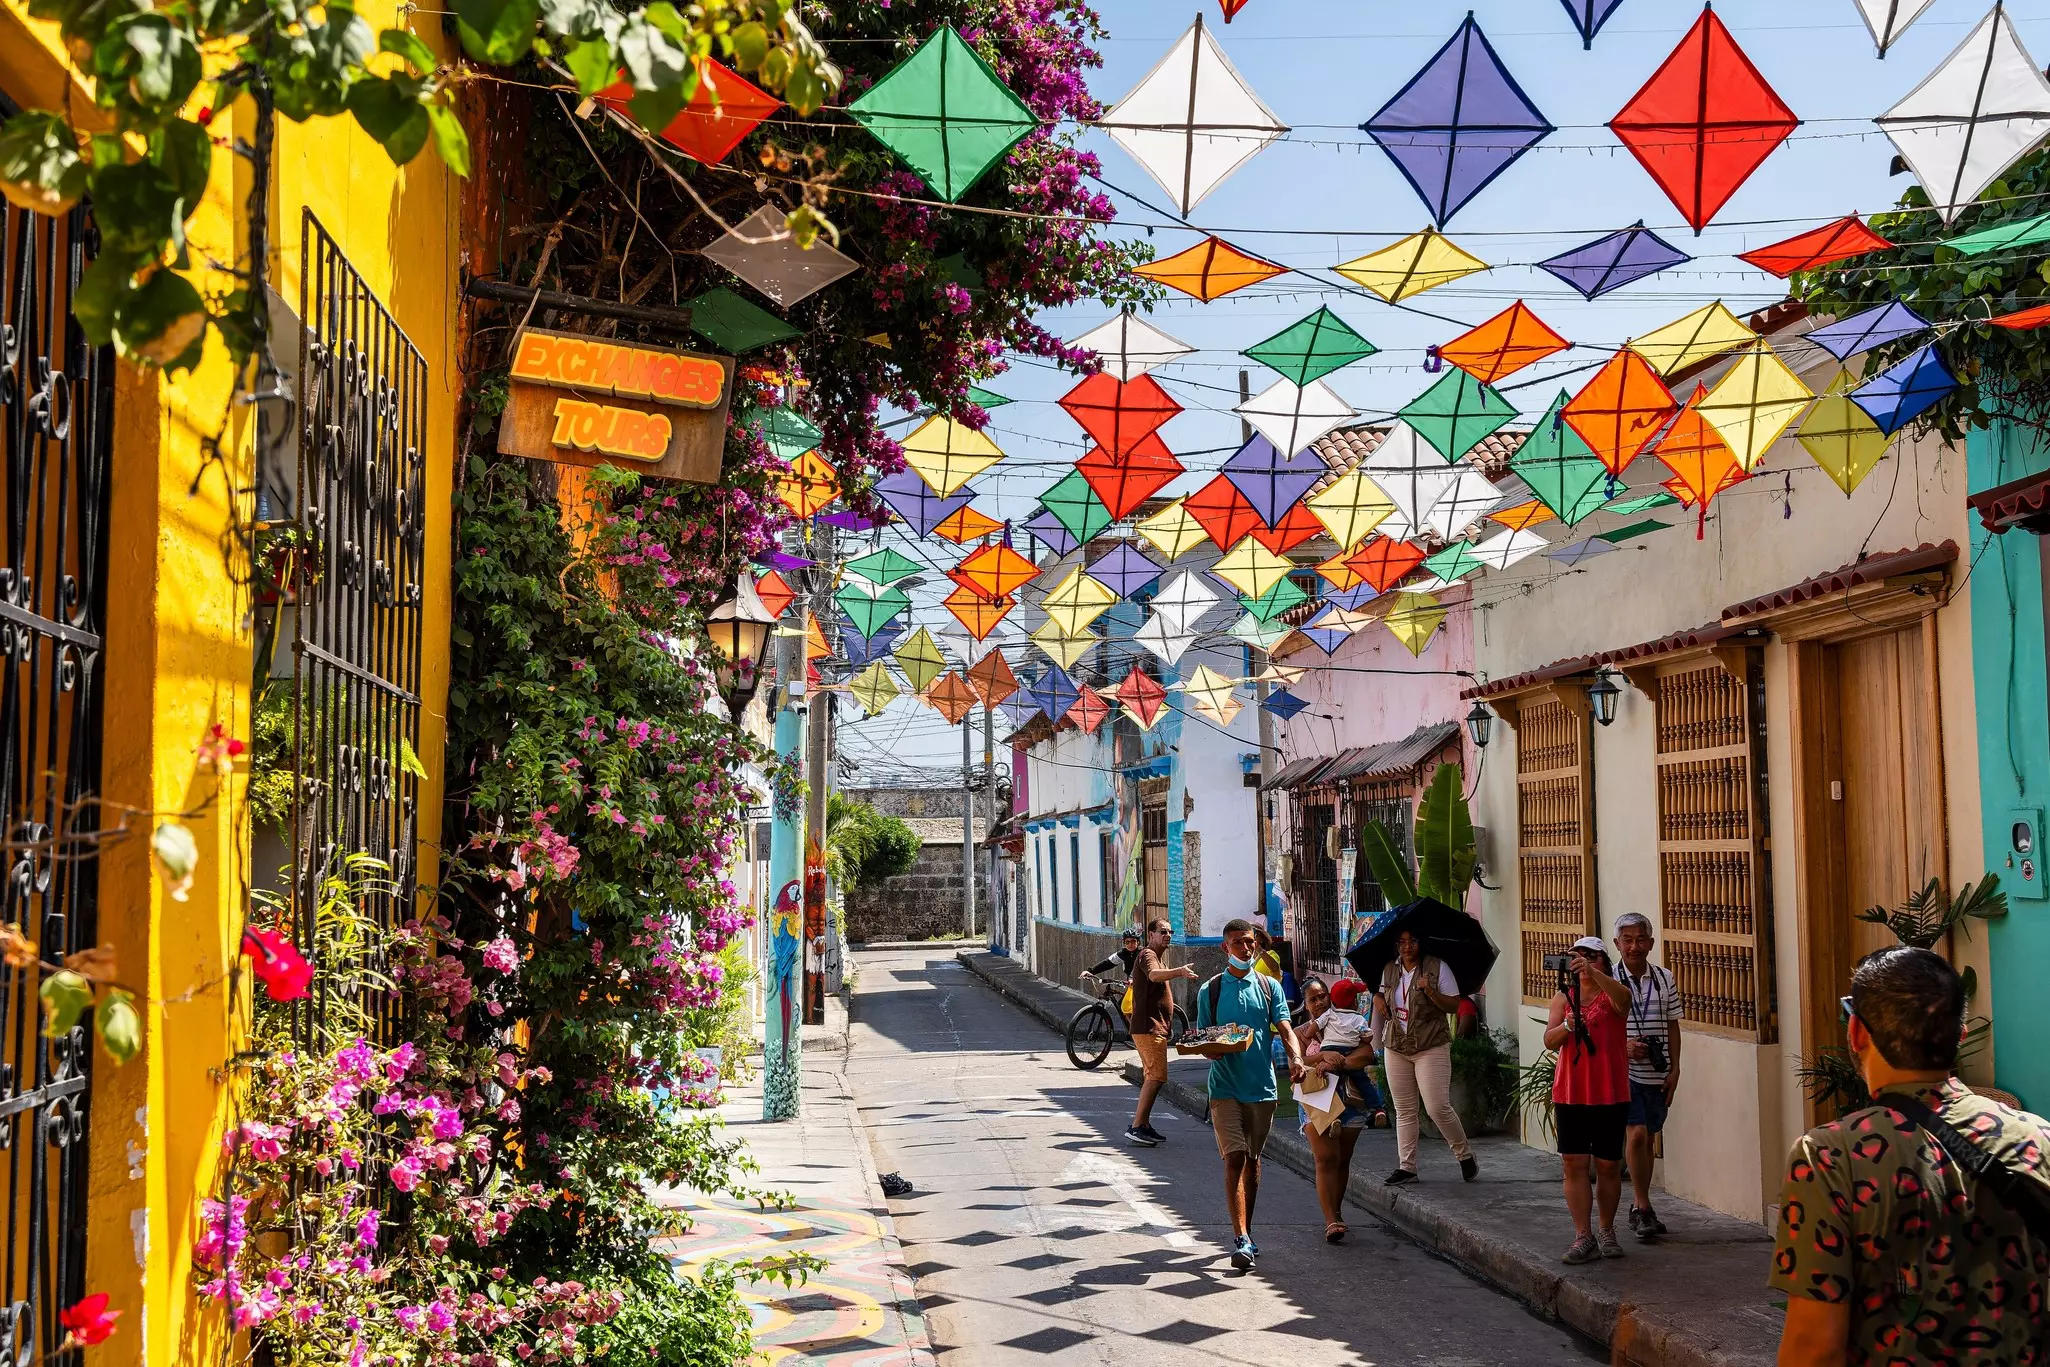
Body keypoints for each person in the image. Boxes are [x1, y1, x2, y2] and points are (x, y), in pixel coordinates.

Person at [1772, 946, 2050, 1366]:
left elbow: (1814, 1347)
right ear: (1959, 1036)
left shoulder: (1830, 1158)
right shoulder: (2038, 1138)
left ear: (1858, 1034)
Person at [1195, 917, 1304, 1271]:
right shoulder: (1209, 991)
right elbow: (1203, 1039)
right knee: (1235, 1158)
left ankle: (1249, 1230)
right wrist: (1211, 1049)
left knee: (1253, 1161)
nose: (1247, 947)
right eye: (1239, 943)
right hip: (1224, 1088)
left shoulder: (1270, 987)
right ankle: (1240, 1237)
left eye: (1250, 942)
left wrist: (1297, 1056)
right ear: (1225, 947)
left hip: (1262, 1088)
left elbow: (1286, 1028)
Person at [1546, 934, 1633, 1264]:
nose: (1582, 962)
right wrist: (1567, 1026)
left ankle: (1607, 1230)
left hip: (1609, 1092)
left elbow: (1624, 1001)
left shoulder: (1611, 993)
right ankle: (1583, 1235)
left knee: (1609, 1165)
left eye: (1591, 956)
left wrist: (1595, 973)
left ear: (1603, 962)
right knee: (1574, 1164)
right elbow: (1549, 1040)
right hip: (1571, 1093)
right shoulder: (1563, 997)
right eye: (1577, 957)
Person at [1371, 928, 1477, 1185]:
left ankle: (1464, 1154)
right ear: (1396, 945)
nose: (1407, 947)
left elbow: (1454, 1005)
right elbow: (1380, 992)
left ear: (1422, 942)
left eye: (1413, 941)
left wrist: (1430, 992)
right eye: (1402, 942)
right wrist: (1377, 999)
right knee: (1404, 1109)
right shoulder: (1389, 969)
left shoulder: (1438, 967)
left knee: (1436, 1106)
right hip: (1396, 1045)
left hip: (1430, 1044)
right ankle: (1407, 1167)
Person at [1612, 912, 1682, 1241]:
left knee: (1649, 1139)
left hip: (1657, 1070)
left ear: (1651, 944)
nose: (1634, 946)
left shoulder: (1664, 978)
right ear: (1617, 944)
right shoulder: (1608, 979)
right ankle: (1640, 1206)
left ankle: (1644, 1206)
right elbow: (1599, 1025)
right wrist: (1622, 1046)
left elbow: (1672, 1026)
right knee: (1636, 1134)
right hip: (1622, 1070)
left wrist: (1675, 1067)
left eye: (1640, 939)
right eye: (1627, 940)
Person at [1298, 977, 1379, 1242]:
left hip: (1350, 1099)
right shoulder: (1302, 1032)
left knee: (1343, 1159)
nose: (1319, 1002)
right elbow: (1297, 1062)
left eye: (1322, 995)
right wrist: (1322, 1056)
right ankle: (1330, 1220)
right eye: (1313, 999)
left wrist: (1339, 1062)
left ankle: (1337, 1211)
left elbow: (1367, 1054)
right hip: (1317, 1099)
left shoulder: (1351, 1024)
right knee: (1325, 1159)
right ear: (1306, 1004)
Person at [1126, 917, 1197, 1148]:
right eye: (1162, 931)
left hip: (1155, 1026)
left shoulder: (1157, 957)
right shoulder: (1148, 955)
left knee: (1154, 1076)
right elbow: (1154, 976)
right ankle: (1137, 1126)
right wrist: (1180, 972)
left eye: (1170, 931)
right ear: (1151, 935)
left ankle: (1143, 1124)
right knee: (1156, 1077)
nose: (1167, 935)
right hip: (1148, 1027)